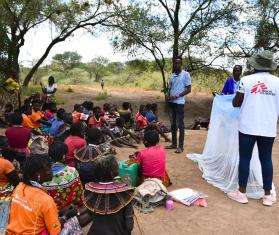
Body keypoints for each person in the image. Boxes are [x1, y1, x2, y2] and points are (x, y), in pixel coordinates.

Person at [228, 50, 278, 206]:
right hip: (268, 127)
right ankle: (267, 196)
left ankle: (241, 193)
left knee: (245, 158)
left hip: (247, 127)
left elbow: (236, 103)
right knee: (266, 159)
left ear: (255, 64)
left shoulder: (246, 80)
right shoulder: (277, 82)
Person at [7, 154, 61, 235]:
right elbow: (55, 232)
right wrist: (64, 218)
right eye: (48, 169)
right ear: (38, 174)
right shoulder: (46, 200)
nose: (51, 172)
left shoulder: (19, 187)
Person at [83, 154, 135, 235]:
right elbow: (129, 226)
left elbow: (89, 216)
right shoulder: (125, 194)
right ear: (112, 173)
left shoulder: (90, 192)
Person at [43, 142, 83, 210]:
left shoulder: (42, 175)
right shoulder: (72, 171)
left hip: (49, 212)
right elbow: (79, 196)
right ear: (63, 156)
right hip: (68, 211)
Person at [166, 56, 192, 153]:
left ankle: (180, 147)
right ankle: (174, 144)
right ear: (173, 64)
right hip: (172, 103)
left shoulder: (186, 74)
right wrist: (168, 95)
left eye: (178, 63)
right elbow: (169, 89)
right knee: (173, 124)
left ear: (181, 64)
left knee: (180, 125)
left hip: (180, 103)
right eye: (175, 63)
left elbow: (189, 89)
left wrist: (178, 95)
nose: (177, 65)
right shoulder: (172, 76)